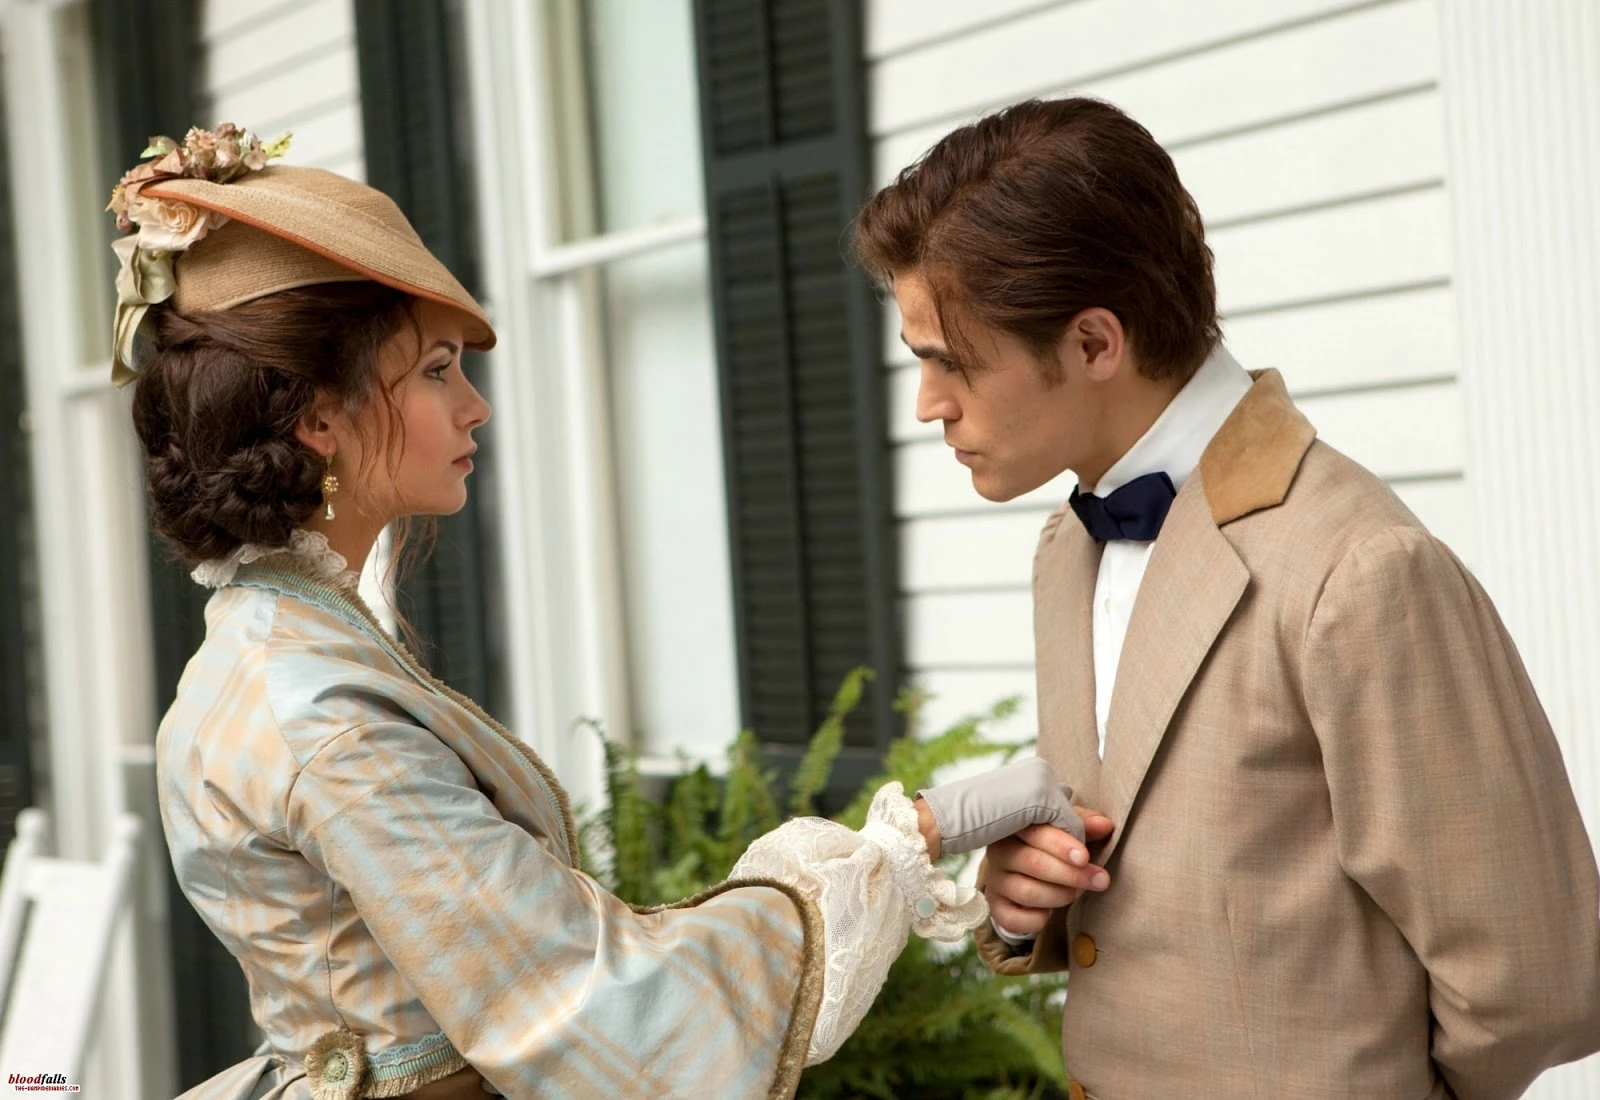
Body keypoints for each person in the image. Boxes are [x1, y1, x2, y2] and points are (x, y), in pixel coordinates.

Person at [118, 125, 1092, 1100]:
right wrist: (905, 841)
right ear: (319, 418)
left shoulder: (271, 645)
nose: (475, 406)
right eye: (436, 369)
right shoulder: (320, 707)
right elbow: (598, 1009)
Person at [852, 96, 1600, 1099]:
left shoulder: (1360, 568)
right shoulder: (1065, 550)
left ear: (1093, 343)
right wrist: (1027, 902)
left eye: (950, 360)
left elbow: (1536, 979)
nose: (927, 404)